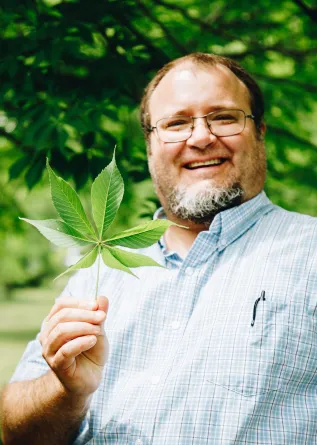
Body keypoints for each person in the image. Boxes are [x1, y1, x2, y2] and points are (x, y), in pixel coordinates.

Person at [1, 52, 317, 445]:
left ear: (260, 131)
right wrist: (66, 391)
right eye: (177, 123)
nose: (201, 137)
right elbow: (14, 432)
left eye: (223, 117)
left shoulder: (309, 255)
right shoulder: (100, 273)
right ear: (151, 147)